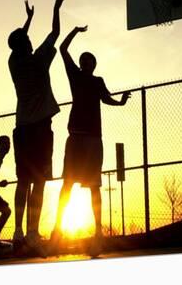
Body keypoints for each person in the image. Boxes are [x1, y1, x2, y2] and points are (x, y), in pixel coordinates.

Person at [51, 25, 130, 255]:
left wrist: (121, 102)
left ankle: (98, 232)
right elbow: (63, 48)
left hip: (93, 139)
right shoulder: (74, 75)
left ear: (93, 65)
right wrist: (75, 31)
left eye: (89, 61)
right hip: (75, 137)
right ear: (80, 64)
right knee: (67, 184)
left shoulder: (97, 81)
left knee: (94, 185)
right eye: (83, 61)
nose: (85, 63)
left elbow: (107, 99)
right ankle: (57, 229)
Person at [7, 0, 66, 255]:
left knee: (23, 181)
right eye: (28, 38)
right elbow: (55, 32)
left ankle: (18, 231)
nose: (30, 38)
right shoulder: (40, 58)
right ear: (27, 44)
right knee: (39, 181)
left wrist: (28, 20)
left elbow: (18, 40)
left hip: (22, 128)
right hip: (41, 128)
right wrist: (55, 9)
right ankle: (32, 232)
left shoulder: (14, 62)